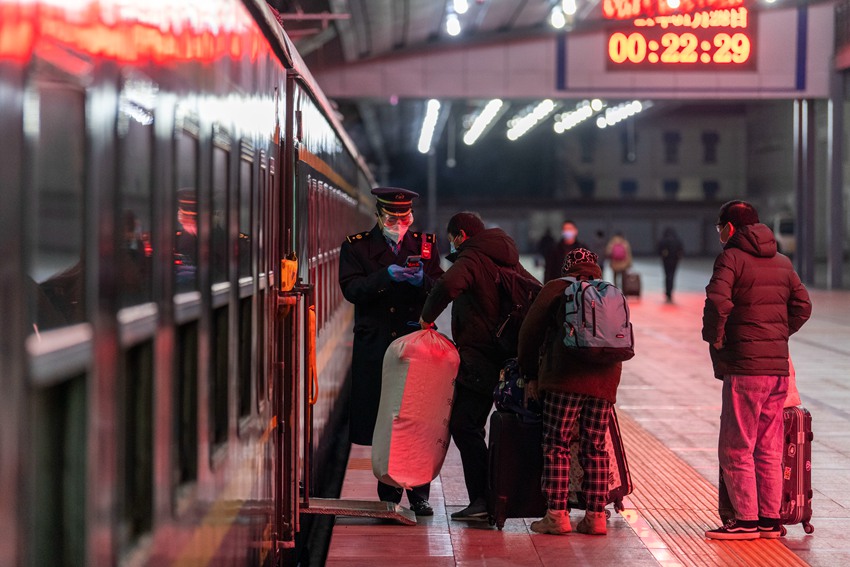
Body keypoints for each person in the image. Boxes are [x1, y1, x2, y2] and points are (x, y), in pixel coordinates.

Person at [702, 200, 811, 540]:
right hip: (777, 369)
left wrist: (717, 338)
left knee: (736, 446)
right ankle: (769, 520)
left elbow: (718, 302)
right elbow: (803, 305)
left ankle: (746, 520)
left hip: (746, 368)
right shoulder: (782, 261)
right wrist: (777, 334)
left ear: (729, 228)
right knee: (768, 447)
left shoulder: (731, 258)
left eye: (720, 228)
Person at [419, 212, 538, 521]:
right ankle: (491, 497)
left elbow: (447, 285)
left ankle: (484, 499)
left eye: (451, 239)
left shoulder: (472, 258)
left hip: (480, 359)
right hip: (506, 358)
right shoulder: (506, 257)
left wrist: (426, 318)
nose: (451, 244)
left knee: (464, 424)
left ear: (460, 235)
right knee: (477, 424)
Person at [338, 186, 444, 516]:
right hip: (378, 346)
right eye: (392, 217)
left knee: (417, 417)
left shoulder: (426, 245)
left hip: (415, 346)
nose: (399, 222)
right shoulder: (356, 247)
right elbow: (351, 289)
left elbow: (440, 288)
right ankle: (389, 493)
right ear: (379, 215)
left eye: (404, 217)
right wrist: (387, 275)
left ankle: (420, 494)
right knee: (386, 420)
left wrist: (422, 280)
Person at [518, 248, 622, 536]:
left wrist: (529, 374)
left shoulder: (557, 288)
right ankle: (596, 515)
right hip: (604, 382)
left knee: (557, 444)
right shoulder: (610, 291)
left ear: (567, 267)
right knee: (595, 447)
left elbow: (529, 332)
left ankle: (557, 514)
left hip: (565, 379)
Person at [657, 227, 684, 303]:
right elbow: (681, 250)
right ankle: (670, 291)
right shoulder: (677, 240)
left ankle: (667, 292)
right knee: (672, 276)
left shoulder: (663, 240)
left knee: (667, 276)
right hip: (675, 261)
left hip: (666, 261)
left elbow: (659, 250)